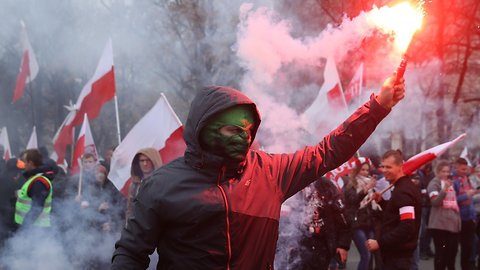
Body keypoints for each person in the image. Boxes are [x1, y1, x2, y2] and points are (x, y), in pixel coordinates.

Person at [112, 74, 406, 269]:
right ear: (203, 127)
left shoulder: (271, 173)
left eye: (248, 130)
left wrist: (377, 107)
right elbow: (131, 253)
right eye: (232, 129)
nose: (242, 136)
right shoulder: (162, 184)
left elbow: (327, 152)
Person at [366, 150, 422, 270]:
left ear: (400, 167)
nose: (384, 170)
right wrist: (382, 202)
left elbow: (407, 226)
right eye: (383, 166)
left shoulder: (403, 191)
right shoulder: (402, 188)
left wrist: (379, 243)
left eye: (389, 167)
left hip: (398, 258)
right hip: (397, 255)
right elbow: (396, 215)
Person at [298, 177, 351, 270]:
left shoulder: (325, 185)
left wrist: (343, 245)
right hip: (299, 243)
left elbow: (343, 218)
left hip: (322, 244)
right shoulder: (294, 182)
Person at [427, 160, 461, 270]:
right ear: (437, 172)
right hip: (440, 226)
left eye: (448, 171)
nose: (446, 174)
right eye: (443, 171)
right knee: (441, 255)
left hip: (452, 226)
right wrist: (444, 190)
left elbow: (454, 203)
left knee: (452, 255)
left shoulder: (450, 183)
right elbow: (435, 202)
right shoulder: (434, 184)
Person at [344, 162, 378, 270]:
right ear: (357, 170)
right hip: (357, 223)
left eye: (367, 170)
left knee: (371, 254)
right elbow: (353, 201)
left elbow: (373, 206)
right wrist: (365, 189)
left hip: (369, 222)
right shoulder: (351, 184)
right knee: (366, 254)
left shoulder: (370, 184)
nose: (365, 172)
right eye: (362, 169)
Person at [14, 149, 54, 229]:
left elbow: (37, 207)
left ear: (30, 163)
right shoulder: (35, 178)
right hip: (32, 226)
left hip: (35, 228)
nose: (23, 164)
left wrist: (25, 227)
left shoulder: (39, 181)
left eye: (25, 161)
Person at [452, 157, 478, 270]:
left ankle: (467, 265)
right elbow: (453, 199)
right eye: (462, 169)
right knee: (463, 246)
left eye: (465, 169)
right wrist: (466, 195)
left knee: (470, 245)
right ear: (456, 167)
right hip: (460, 217)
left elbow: (471, 196)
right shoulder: (453, 181)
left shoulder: (466, 178)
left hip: (470, 216)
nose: (465, 171)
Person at [126, 148, 163, 221]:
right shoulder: (134, 185)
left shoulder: (162, 183)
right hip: (139, 226)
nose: (145, 164)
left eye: (148, 160)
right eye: (142, 161)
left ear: (153, 161)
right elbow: (130, 210)